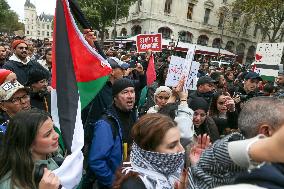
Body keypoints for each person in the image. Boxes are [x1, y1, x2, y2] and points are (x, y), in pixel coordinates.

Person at [87, 78, 137, 189]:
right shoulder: (105, 124)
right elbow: (96, 161)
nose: (130, 96)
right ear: (115, 97)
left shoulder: (133, 115)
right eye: (125, 92)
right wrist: (114, 183)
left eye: (132, 91)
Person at [114, 113, 186, 189]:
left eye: (179, 141)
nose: (182, 150)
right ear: (150, 152)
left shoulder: (169, 170)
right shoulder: (135, 185)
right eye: (172, 146)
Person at [0, 109, 61, 189]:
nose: (56, 135)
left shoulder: (55, 154)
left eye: (53, 129)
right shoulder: (10, 185)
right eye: (48, 134)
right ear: (27, 144)